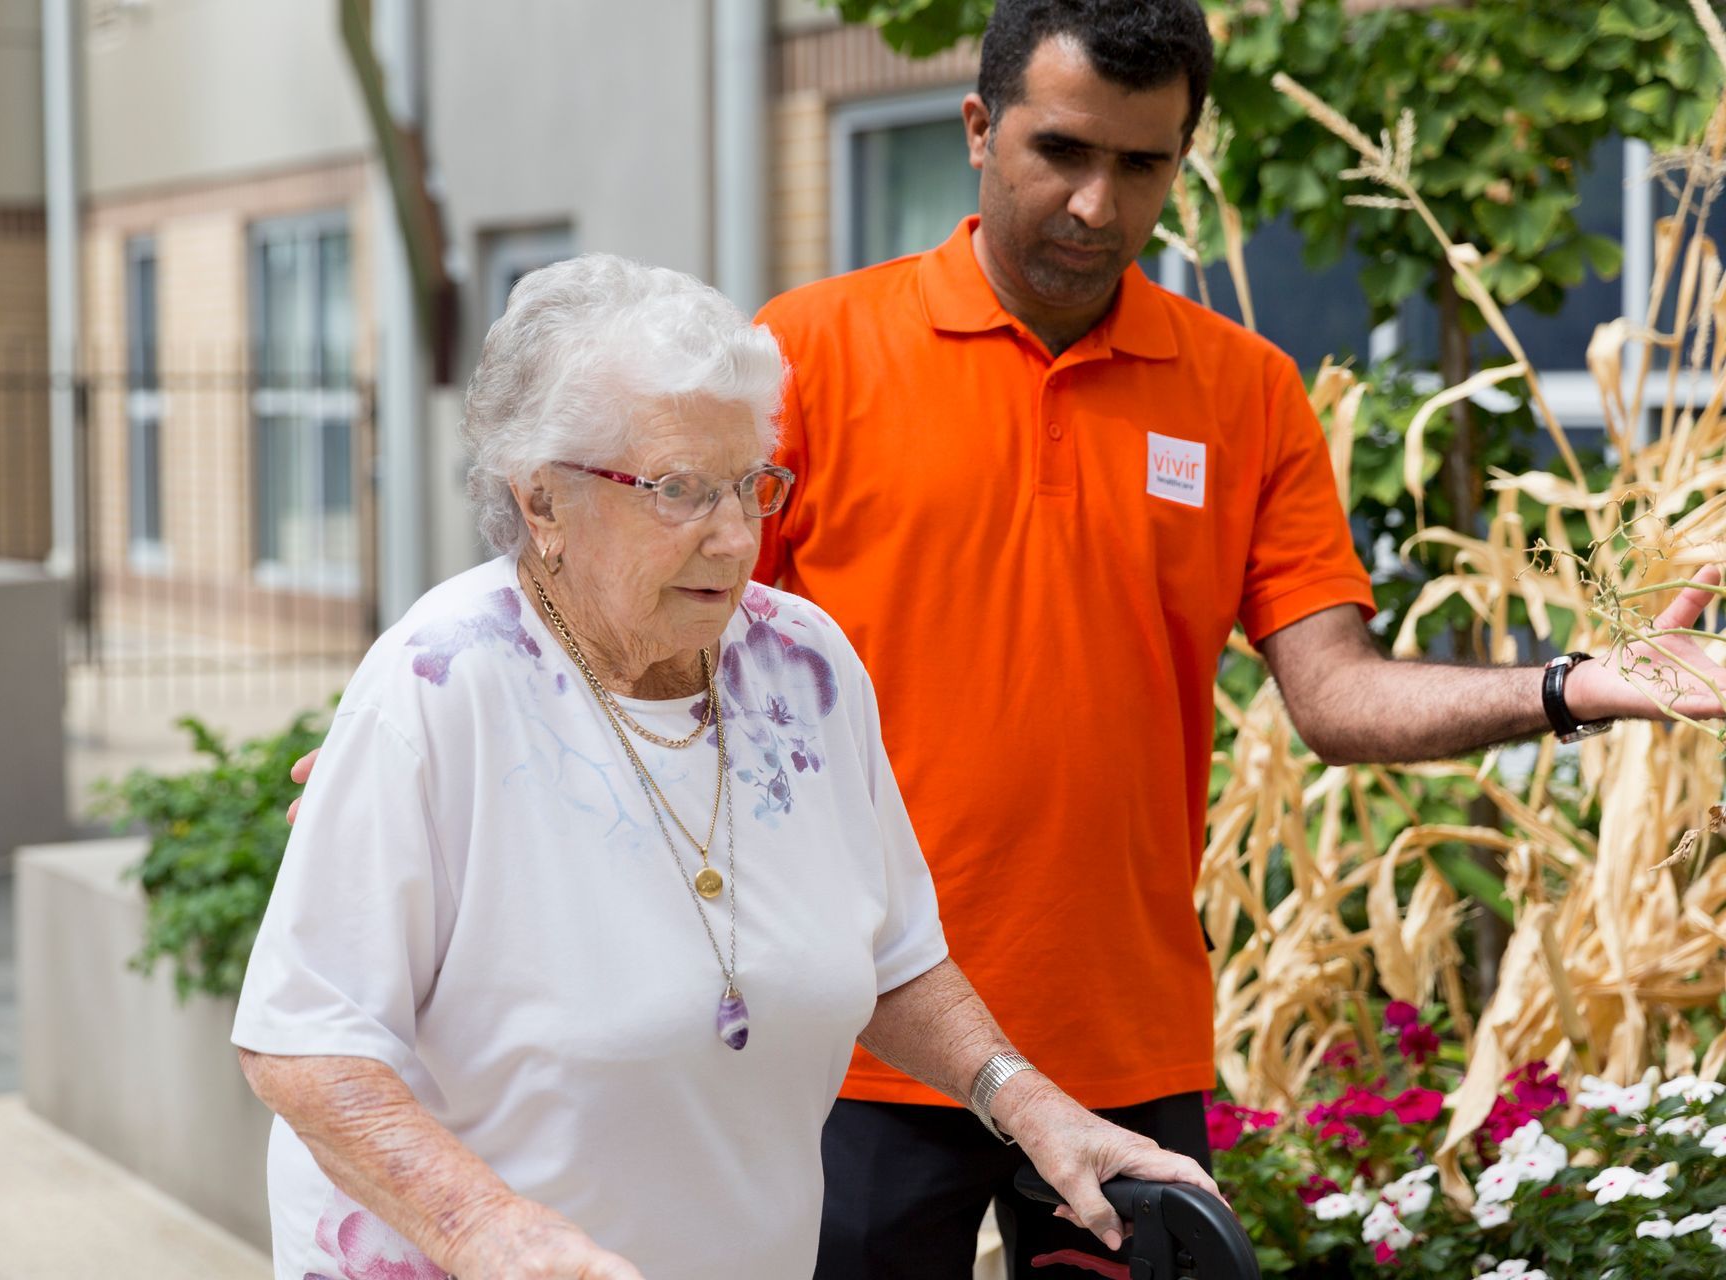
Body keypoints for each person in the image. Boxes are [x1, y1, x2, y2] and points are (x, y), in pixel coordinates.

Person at [290, 3, 1726, 1274]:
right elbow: (630, 623)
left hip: (1116, 1043)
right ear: (977, 128)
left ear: (1182, 161)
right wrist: (437, 755)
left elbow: (1336, 694)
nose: (1098, 204)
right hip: (833, 1038)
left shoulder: (1244, 393)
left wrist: (1569, 685)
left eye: (1143, 164)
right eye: (1061, 151)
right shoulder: (811, 359)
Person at [235, 253, 1217, 1280]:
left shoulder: (804, 663)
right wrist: (488, 1230)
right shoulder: (438, 686)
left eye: (752, 483)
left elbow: (890, 955)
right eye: (679, 491)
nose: (738, 534)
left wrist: (1034, 1107)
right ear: (543, 503)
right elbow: (306, 1040)